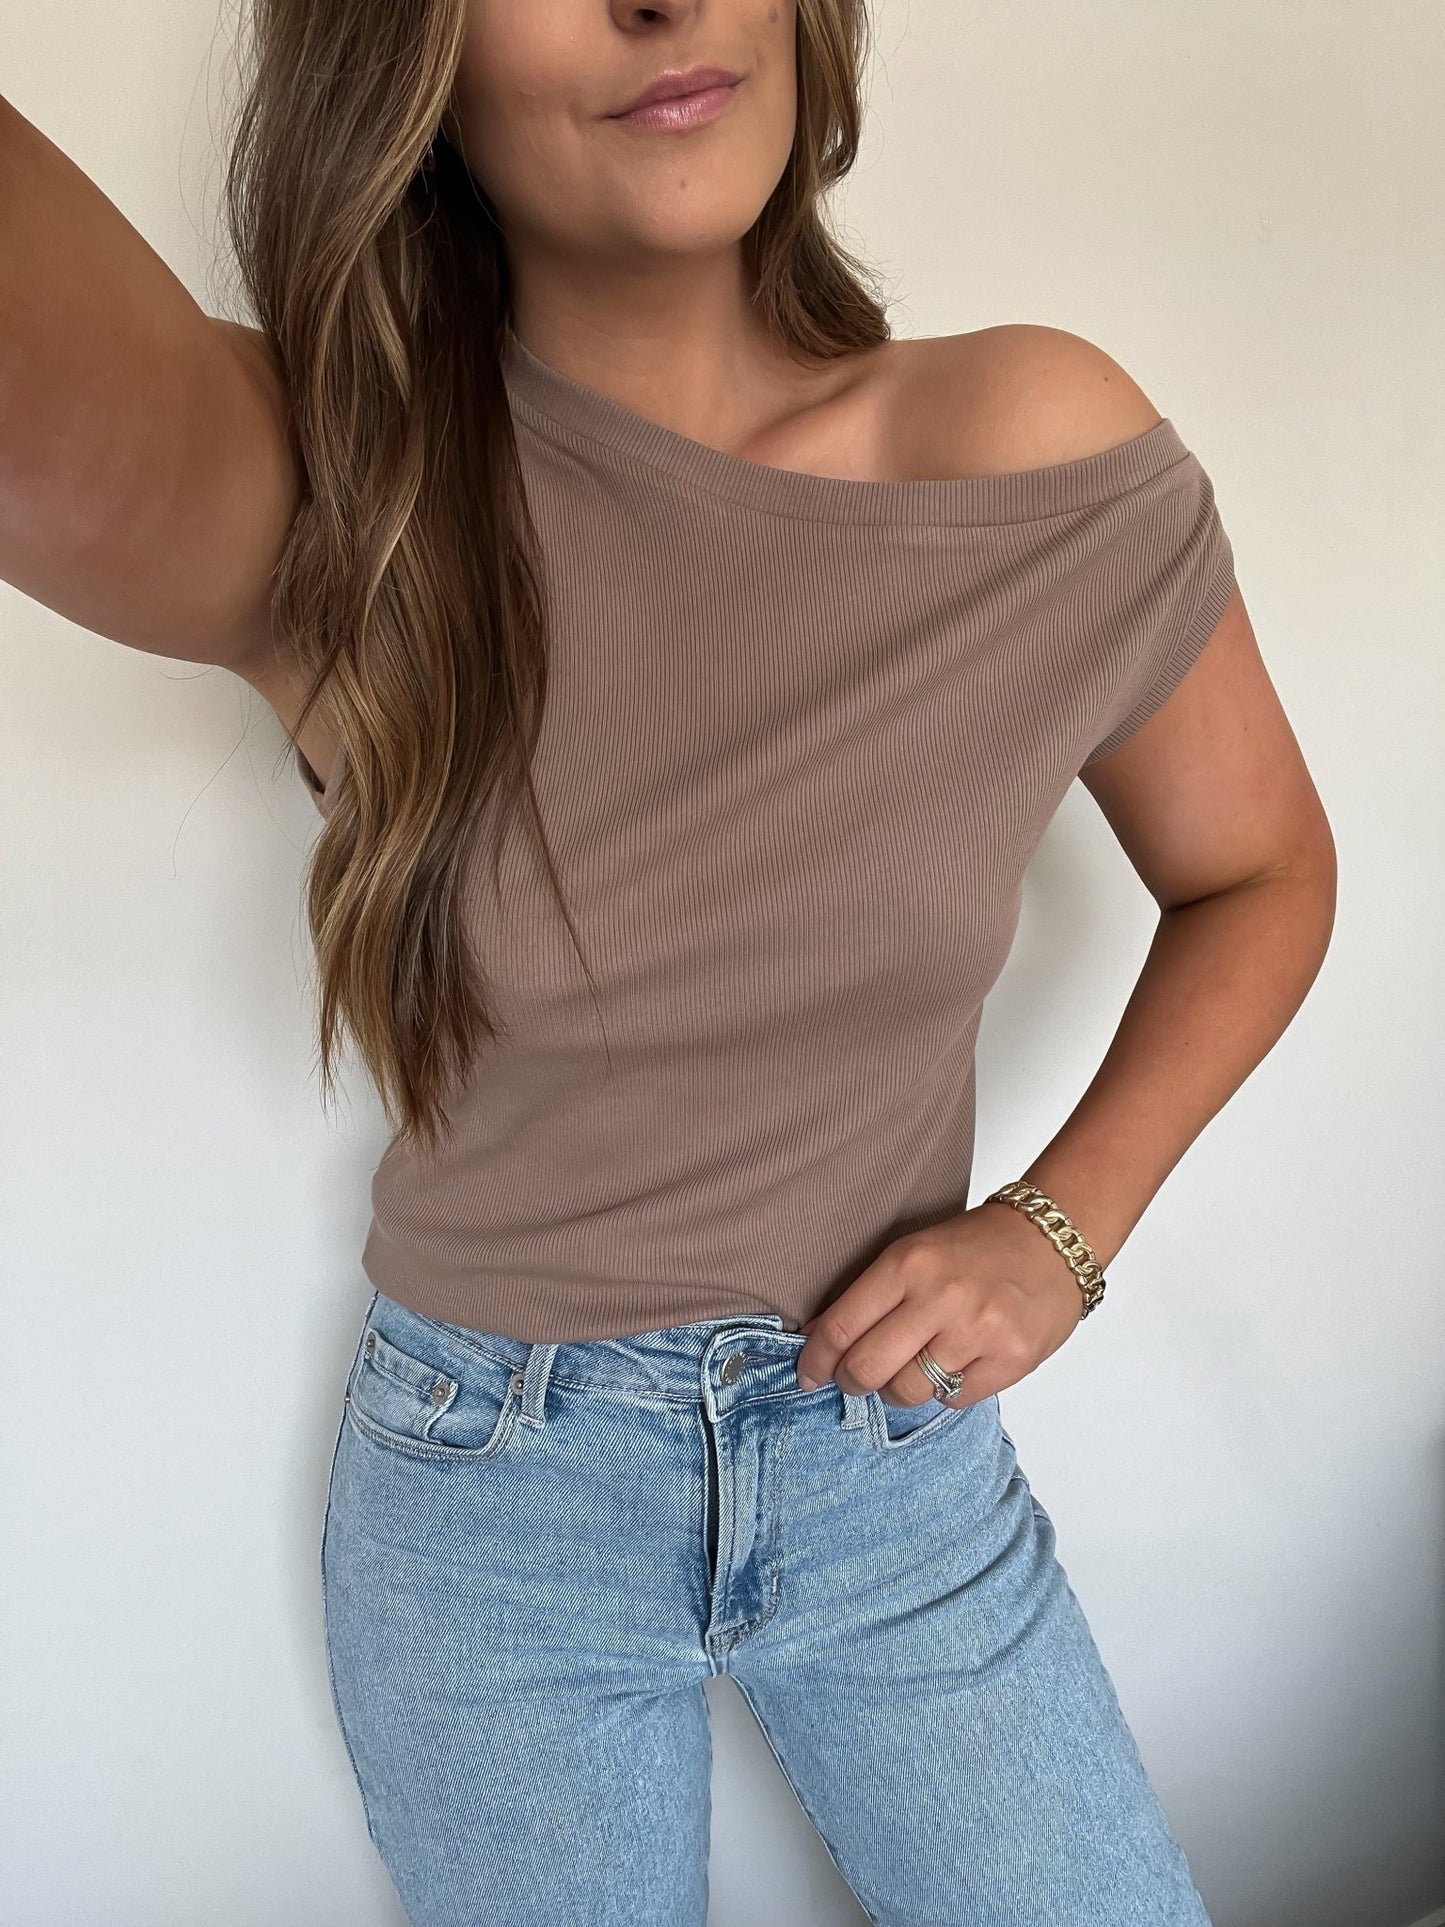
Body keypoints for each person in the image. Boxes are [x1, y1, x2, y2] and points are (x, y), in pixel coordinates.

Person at [0, 2, 1336, 1922]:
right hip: (489, 1499)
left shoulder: (1031, 449)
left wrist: (1060, 1229)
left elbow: (1261, 871)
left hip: (891, 1472)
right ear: (411, 58)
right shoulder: (337, 502)